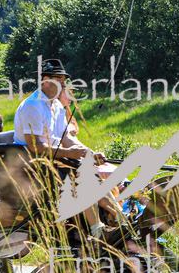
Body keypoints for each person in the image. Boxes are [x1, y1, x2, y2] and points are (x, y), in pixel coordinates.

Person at [12, 59, 116, 238]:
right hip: (31, 164)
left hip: (54, 159)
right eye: (59, 79)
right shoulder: (32, 106)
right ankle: (97, 230)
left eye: (63, 79)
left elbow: (66, 138)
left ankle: (119, 217)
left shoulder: (57, 105)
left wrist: (89, 153)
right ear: (45, 80)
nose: (63, 83)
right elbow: (35, 146)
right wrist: (70, 154)